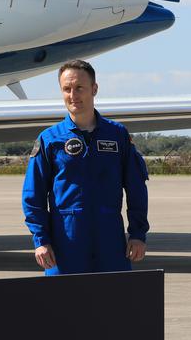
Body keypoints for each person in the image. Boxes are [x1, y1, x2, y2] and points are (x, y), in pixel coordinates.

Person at [22, 60, 149, 275]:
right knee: (63, 307)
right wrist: (41, 240)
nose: (73, 95)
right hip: (65, 244)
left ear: (94, 89)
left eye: (79, 87)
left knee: (113, 305)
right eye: (67, 89)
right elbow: (33, 195)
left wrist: (137, 234)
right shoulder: (49, 139)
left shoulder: (117, 136)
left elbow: (136, 188)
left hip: (110, 241)